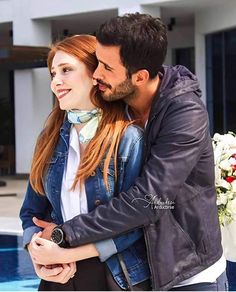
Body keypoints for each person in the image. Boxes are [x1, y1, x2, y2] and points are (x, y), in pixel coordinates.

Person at [31, 13, 229, 291]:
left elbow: (149, 200)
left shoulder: (186, 115)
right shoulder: (114, 106)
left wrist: (66, 235)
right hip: (144, 267)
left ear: (139, 77)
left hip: (188, 271)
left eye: (106, 67)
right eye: (96, 61)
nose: (96, 73)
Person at [19, 34, 151, 291]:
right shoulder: (49, 139)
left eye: (66, 70)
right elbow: (31, 213)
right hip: (58, 275)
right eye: (53, 73)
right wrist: (37, 255)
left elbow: (137, 222)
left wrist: (67, 254)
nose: (56, 82)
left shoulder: (128, 138)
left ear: (96, 74)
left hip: (115, 274)